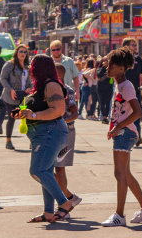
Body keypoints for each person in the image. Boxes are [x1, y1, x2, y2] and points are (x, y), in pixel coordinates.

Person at [14, 55, 76, 223]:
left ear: (39, 67)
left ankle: (65, 202)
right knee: (46, 171)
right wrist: (22, 111)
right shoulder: (40, 86)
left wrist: (34, 114)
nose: (30, 68)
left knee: (37, 170)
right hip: (42, 134)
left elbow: (58, 110)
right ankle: (48, 212)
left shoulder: (52, 85)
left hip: (51, 132)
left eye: (32, 65)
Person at [101, 48, 142, 227]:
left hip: (126, 132)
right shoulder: (119, 85)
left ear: (121, 68)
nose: (108, 68)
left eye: (112, 66)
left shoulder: (126, 86)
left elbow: (138, 112)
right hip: (123, 132)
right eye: (108, 64)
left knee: (119, 173)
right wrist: (114, 127)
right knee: (125, 174)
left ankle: (119, 215)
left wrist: (118, 127)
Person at [53, 64, 81, 208]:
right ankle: (69, 198)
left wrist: (61, 121)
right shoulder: (49, 90)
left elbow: (75, 113)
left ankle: (64, 204)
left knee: (60, 168)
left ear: (59, 74)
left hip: (66, 132)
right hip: (52, 132)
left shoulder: (68, 91)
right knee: (49, 169)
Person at [121, 37, 142, 146]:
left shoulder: (138, 60)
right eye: (133, 45)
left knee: (137, 114)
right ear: (126, 46)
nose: (135, 47)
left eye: (135, 45)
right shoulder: (120, 59)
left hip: (135, 92)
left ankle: (136, 136)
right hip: (122, 93)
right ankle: (122, 135)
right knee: (122, 115)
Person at [0, 45, 30, 150]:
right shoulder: (10, 64)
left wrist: (30, 88)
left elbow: (31, 80)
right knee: (12, 117)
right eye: (21, 51)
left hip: (24, 96)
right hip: (11, 95)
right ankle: (8, 141)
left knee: (28, 117)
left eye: (25, 52)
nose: (22, 54)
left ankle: (32, 140)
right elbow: (3, 79)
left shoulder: (28, 66)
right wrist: (11, 90)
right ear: (16, 52)